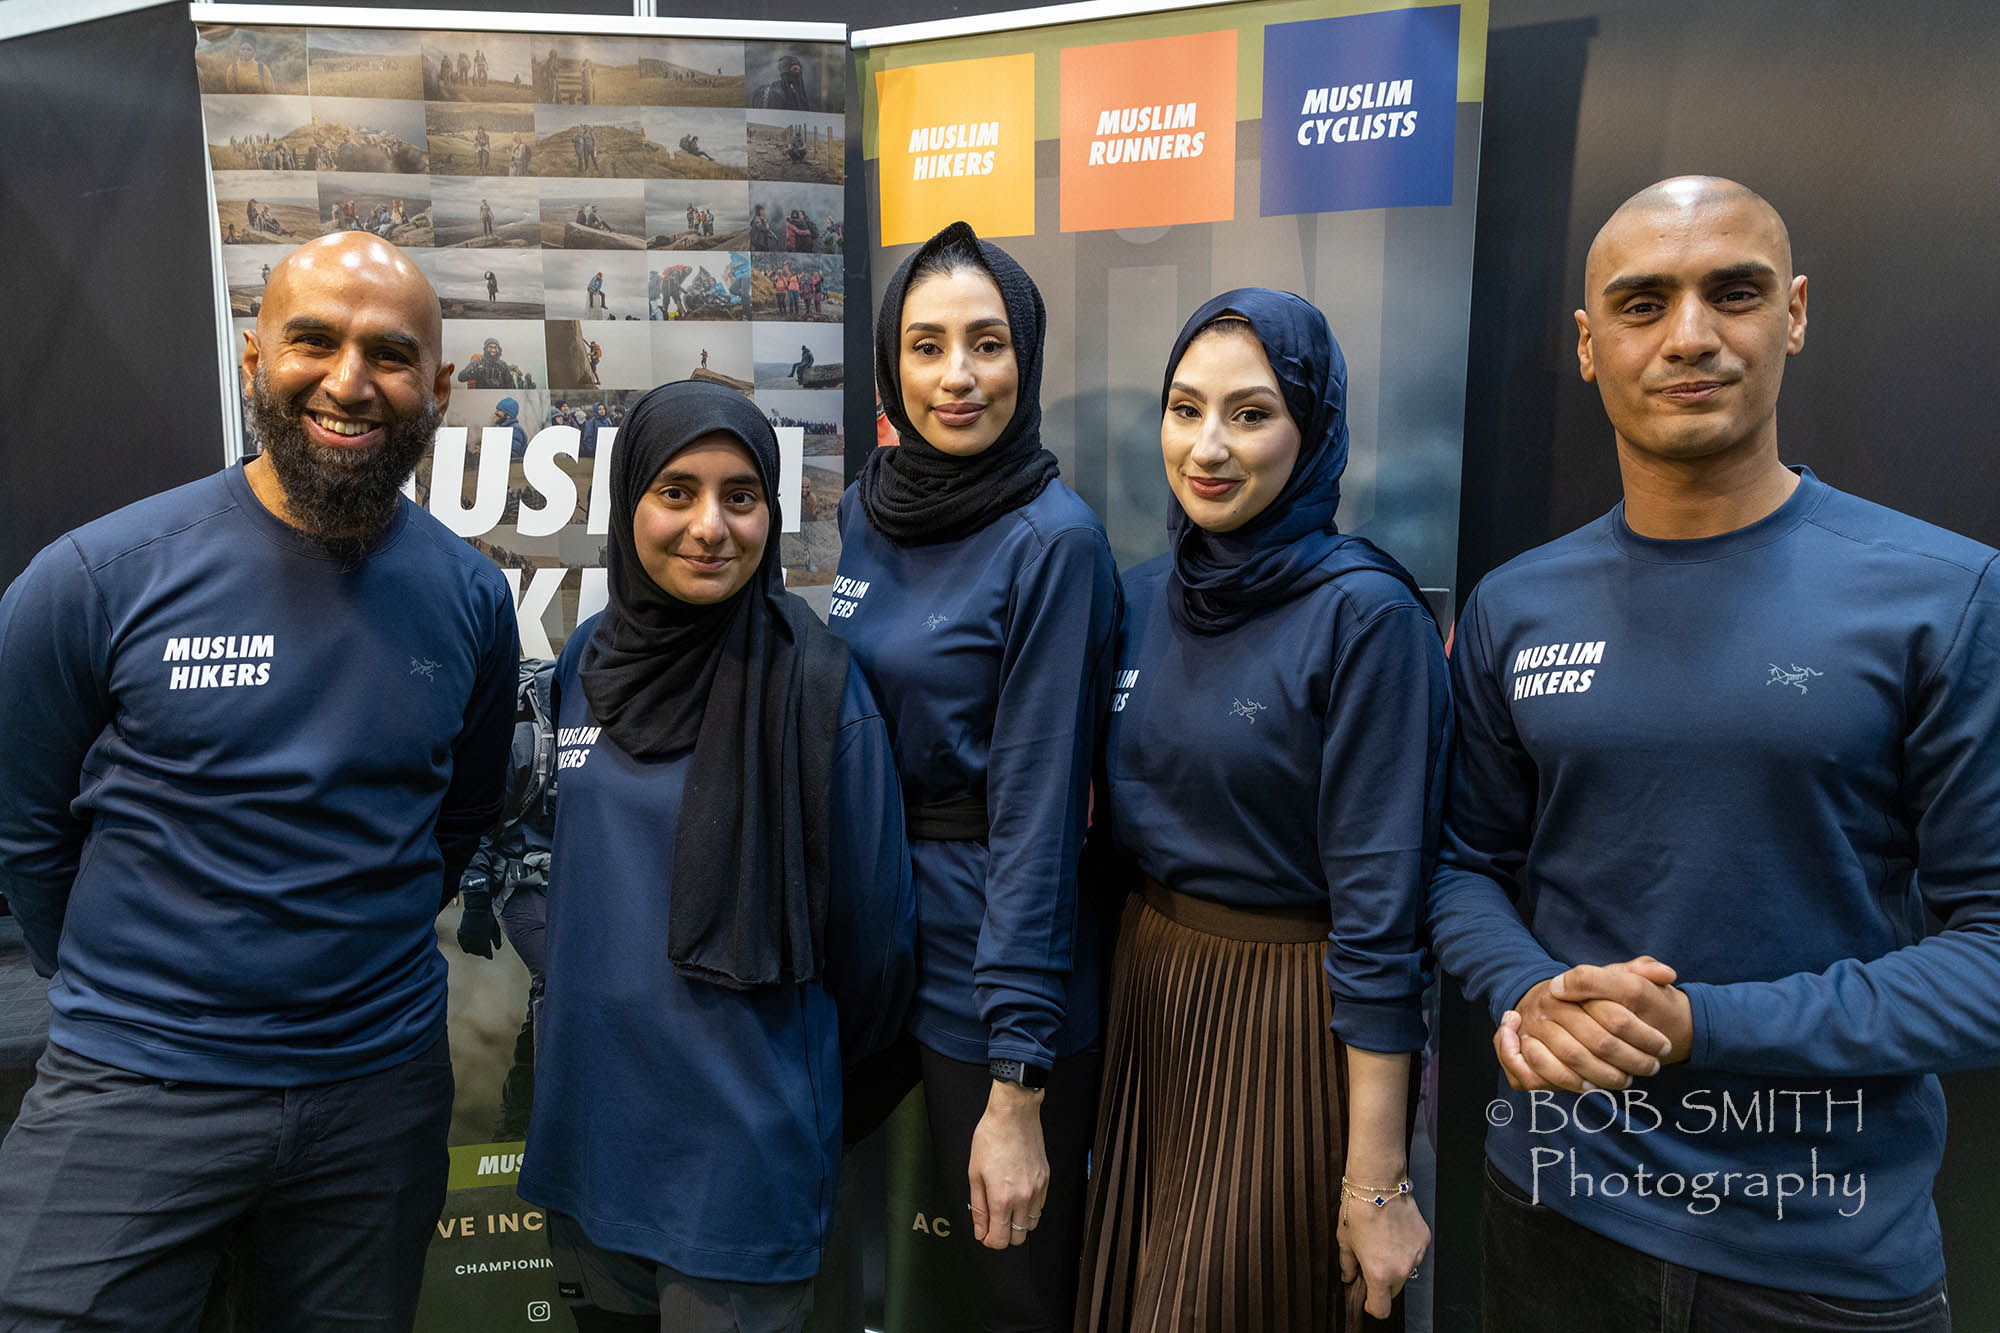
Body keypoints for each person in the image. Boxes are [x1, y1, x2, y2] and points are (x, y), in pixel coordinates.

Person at [1428, 176, 1995, 1331]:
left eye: (1728, 293)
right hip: (1551, 1212)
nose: (1688, 336)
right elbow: (1456, 866)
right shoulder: (1514, 605)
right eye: (1641, 304)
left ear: (1790, 314)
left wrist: (1705, 1028)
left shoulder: (1941, 594)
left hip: (1817, 1249)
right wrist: (1527, 988)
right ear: (1587, 347)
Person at [0, 232, 518, 1328]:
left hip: (374, 1099)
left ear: (439, 385)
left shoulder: (470, 598)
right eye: (313, 341)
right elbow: (25, 831)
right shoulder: (94, 578)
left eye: (387, 353)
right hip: (132, 1092)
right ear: (252, 360)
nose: (346, 381)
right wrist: (127, 993)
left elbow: (460, 814)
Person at [1075, 290, 1446, 1332]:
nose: (1206, 446)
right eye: (1184, 409)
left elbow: (1382, 920)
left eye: (1248, 413)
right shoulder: (1141, 594)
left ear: (1311, 427)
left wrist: (1376, 1181)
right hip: (1151, 999)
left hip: (1291, 1020)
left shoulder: (1365, 616)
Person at [516, 381, 916, 1332]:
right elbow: (552, 859)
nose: (710, 526)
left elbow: (878, 953)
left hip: (738, 1168)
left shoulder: (820, 689)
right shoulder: (586, 664)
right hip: (593, 1141)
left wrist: (796, 1094)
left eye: (741, 496)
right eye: (676, 492)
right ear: (629, 506)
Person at [833, 221, 1121, 1332]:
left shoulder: (1054, 542)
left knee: (1010, 1289)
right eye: (925, 345)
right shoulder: (857, 505)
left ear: (1027, 357)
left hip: (992, 949)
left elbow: (1041, 817)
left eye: (987, 343)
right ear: (890, 367)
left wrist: (1017, 1080)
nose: (956, 376)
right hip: (869, 927)